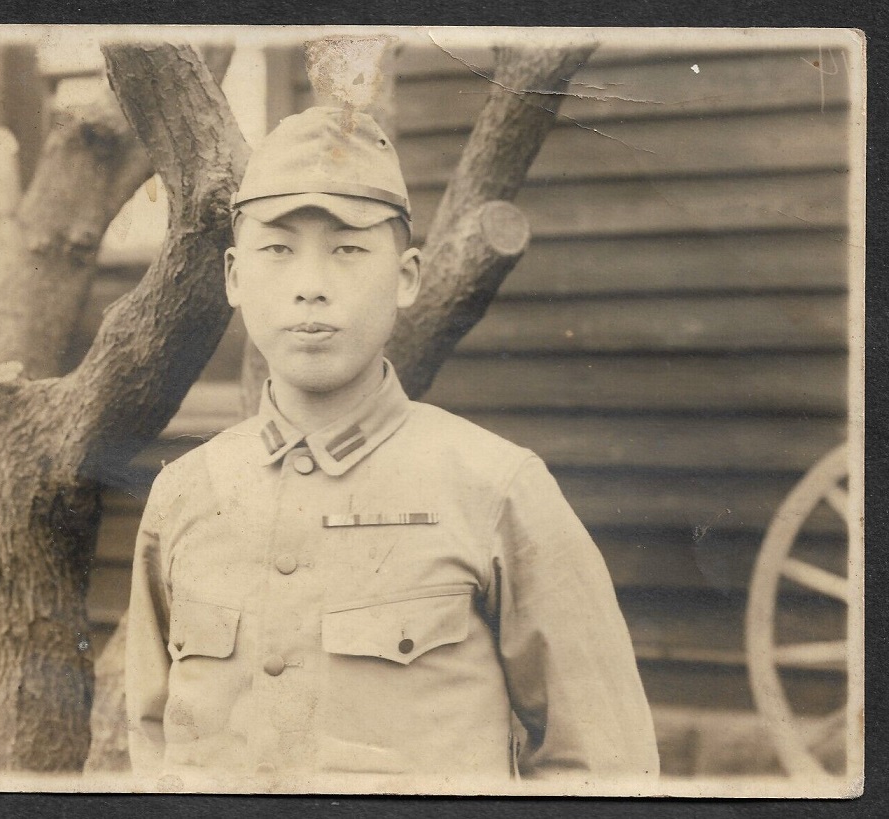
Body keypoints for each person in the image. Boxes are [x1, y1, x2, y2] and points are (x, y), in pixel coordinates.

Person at [125, 106, 659, 792]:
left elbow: (607, 766)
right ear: (233, 275)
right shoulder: (184, 494)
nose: (309, 283)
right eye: (278, 249)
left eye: (347, 248)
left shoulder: (494, 488)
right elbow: (149, 744)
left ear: (407, 276)